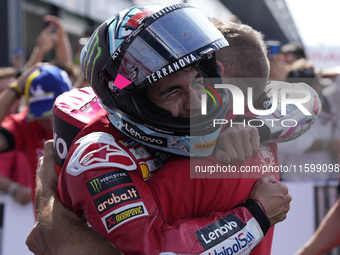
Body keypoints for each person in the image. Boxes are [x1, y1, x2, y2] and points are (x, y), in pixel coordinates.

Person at [27, 5, 314, 254]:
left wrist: (252, 127)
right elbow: (156, 249)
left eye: (198, 81)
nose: (195, 102)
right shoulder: (99, 153)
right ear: (135, 101)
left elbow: (306, 100)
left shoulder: (235, 112)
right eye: (172, 91)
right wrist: (256, 215)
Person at [0, 64, 72, 202]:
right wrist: (16, 88)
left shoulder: (90, 112)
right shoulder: (26, 124)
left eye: (54, 114)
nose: (51, 123)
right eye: (42, 118)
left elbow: (120, 85)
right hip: (47, 218)